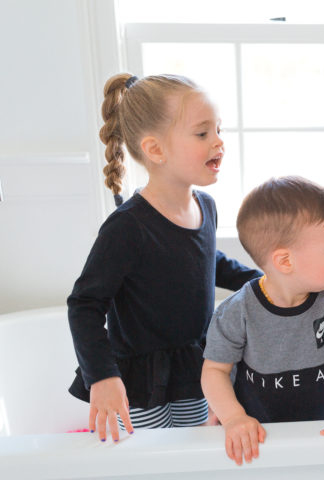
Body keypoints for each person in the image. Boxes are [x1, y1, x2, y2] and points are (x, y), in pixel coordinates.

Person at [67, 73, 260, 443]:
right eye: (203, 133)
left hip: (193, 366)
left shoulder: (205, 206)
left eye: (218, 130)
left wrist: (262, 282)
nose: (219, 141)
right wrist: (102, 377)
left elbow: (206, 260)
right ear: (156, 150)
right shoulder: (127, 227)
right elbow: (84, 304)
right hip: (139, 378)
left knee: (191, 448)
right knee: (149, 457)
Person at [201, 176, 324, 468]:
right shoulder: (237, 312)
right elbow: (215, 371)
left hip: (323, 426)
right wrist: (233, 417)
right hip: (263, 431)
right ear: (285, 262)